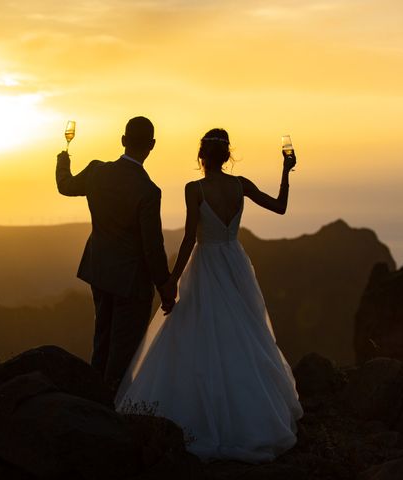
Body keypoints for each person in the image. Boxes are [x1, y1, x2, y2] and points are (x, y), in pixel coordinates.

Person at [115, 128, 303, 463]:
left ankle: (203, 412)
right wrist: (286, 171)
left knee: (199, 334)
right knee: (244, 334)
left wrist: (171, 280)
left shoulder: (195, 189)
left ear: (201, 157)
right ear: (227, 155)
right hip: (235, 264)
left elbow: (189, 238)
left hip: (206, 264)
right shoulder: (240, 185)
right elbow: (280, 207)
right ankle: (251, 412)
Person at [55, 116, 176, 393]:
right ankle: (111, 409)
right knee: (124, 353)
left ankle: (93, 401)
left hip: (99, 272)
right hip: (131, 284)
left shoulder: (97, 172)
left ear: (123, 141)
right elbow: (152, 246)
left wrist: (63, 158)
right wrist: (165, 286)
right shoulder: (148, 191)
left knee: (102, 341)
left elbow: (66, 185)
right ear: (152, 145)